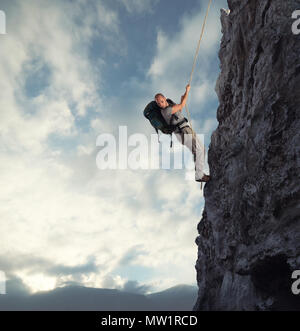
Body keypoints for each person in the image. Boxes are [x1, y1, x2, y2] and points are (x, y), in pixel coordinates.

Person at [155, 84, 211, 183]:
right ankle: (199, 175)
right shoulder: (166, 111)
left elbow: (180, 107)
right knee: (199, 150)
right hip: (182, 132)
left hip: (185, 130)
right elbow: (182, 105)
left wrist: (185, 93)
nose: (161, 104)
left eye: (161, 101)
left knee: (200, 149)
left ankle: (199, 173)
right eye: (158, 103)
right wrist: (188, 91)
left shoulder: (171, 106)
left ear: (164, 98)